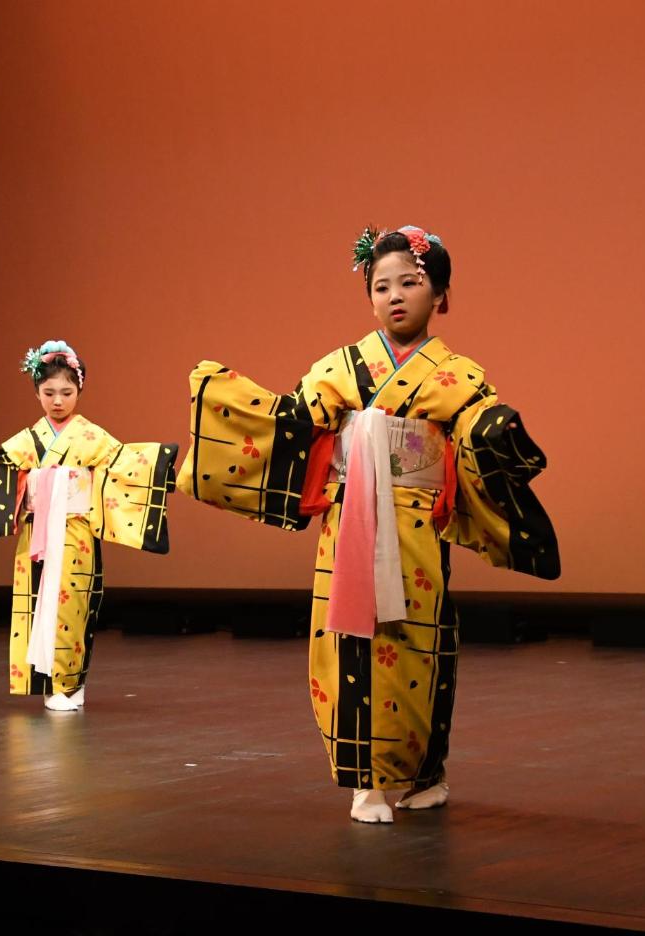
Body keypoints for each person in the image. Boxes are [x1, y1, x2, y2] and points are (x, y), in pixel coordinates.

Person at [177, 227, 559, 822]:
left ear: (442, 296)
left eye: (412, 282)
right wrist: (230, 401)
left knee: (421, 644)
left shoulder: (459, 375)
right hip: (351, 520)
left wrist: (496, 433)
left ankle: (425, 773)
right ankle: (367, 784)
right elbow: (295, 425)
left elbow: (479, 432)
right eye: (382, 286)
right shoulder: (344, 367)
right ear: (370, 298)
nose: (395, 295)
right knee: (353, 638)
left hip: (416, 526)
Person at [0, 340, 177, 711]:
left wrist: (158, 474)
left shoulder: (93, 437)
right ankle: (46, 683)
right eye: (49, 393)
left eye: (67, 392)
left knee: (71, 608)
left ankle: (71, 684)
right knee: (34, 608)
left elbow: (128, 468)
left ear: (79, 391)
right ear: (36, 392)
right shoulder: (28, 440)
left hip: (76, 535)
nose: (58, 401)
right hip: (37, 535)